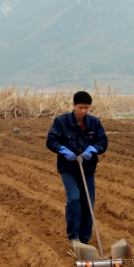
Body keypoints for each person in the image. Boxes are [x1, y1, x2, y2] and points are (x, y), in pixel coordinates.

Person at [46, 91, 108, 247]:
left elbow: (103, 142)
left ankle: (84, 239)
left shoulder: (94, 123)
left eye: (86, 108)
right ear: (73, 105)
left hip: (87, 169)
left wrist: (93, 150)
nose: (83, 111)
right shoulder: (61, 121)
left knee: (88, 202)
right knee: (74, 199)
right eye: (80, 107)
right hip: (68, 168)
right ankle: (73, 237)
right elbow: (51, 141)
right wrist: (63, 150)